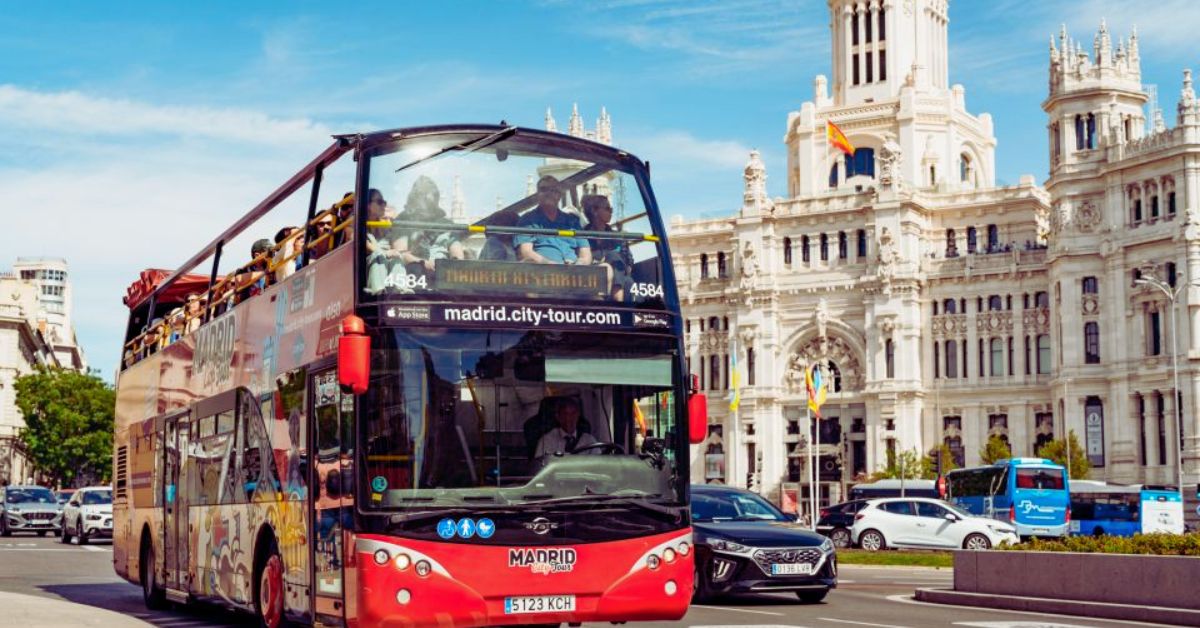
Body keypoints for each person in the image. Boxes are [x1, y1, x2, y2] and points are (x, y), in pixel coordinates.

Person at [394, 175, 465, 275]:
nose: (429, 203)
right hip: (413, 276)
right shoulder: (404, 220)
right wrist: (424, 263)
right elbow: (400, 254)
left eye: (434, 198)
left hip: (443, 275)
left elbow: (457, 254)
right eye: (425, 199)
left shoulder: (446, 224)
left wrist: (451, 264)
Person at [515, 175, 592, 265]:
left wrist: (578, 264)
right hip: (543, 272)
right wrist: (550, 264)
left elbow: (586, 253)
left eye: (553, 190)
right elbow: (526, 253)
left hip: (575, 273)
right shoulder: (527, 220)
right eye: (544, 189)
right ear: (537, 195)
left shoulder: (572, 221)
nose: (549, 193)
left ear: (559, 195)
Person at [582, 194, 635, 301]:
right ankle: (617, 297)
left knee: (628, 282)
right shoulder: (582, 235)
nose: (611, 212)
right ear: (594, 211)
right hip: (593, 276)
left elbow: (629, 262)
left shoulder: (618, 237)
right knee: (613, 255)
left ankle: (617, 292)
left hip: (618, 277)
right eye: (607, 209)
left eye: (611, 209)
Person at [363, 188, 410, 294]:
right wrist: (386, 253)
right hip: (365, 267)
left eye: (384, 202)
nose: (383, 205)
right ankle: (379, 291)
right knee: (378, 256)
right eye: (379, 202)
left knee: (397, 258)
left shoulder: (385, 225)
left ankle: (400, 290)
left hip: (384, 263)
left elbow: (397, 246)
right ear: (368, 205)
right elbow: (359, 242)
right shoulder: (357, 222)